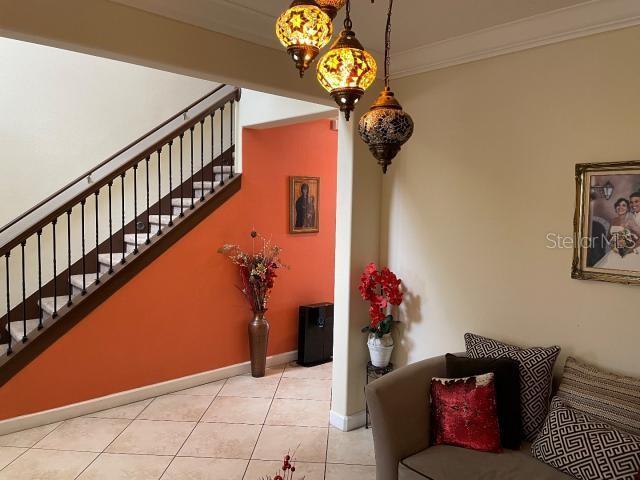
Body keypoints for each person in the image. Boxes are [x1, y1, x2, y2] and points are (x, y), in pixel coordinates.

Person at [595, 197, 640, 270]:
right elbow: (609, 236)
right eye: (618, 205)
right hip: (615, 252)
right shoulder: (613, 220)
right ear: (616, 208)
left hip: (627, 254)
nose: (620, 207)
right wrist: (613, 244)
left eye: (623, 205)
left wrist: (630, 249)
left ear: (628, 208)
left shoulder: (630, 221)